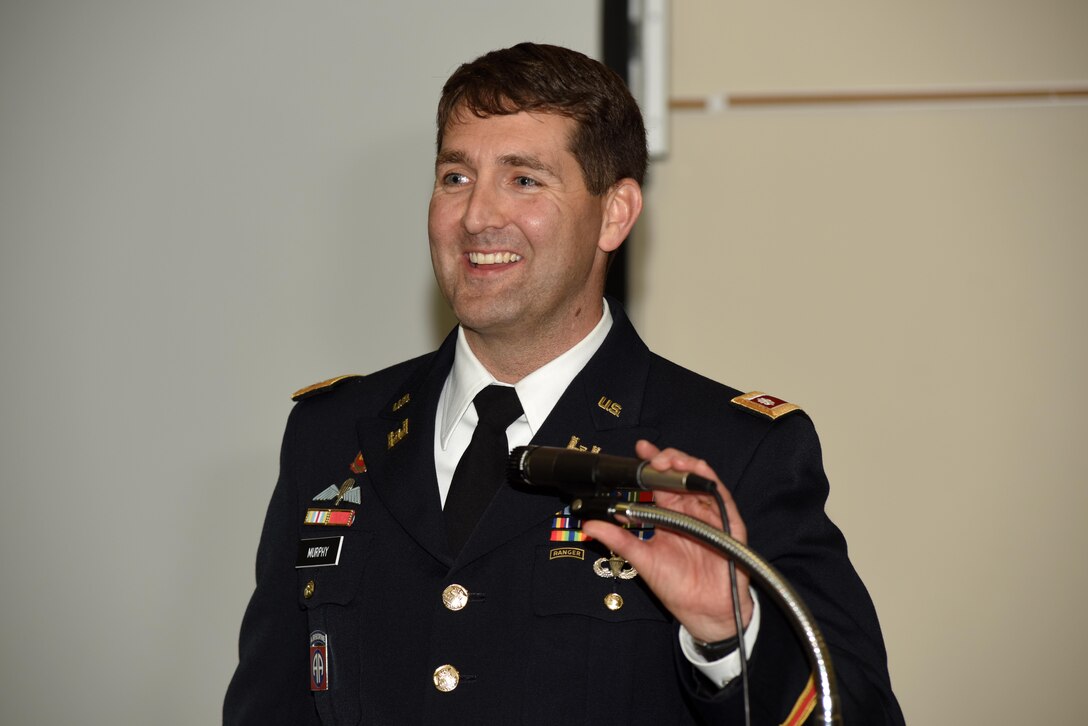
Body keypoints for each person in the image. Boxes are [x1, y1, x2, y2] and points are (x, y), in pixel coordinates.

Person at [224, 42, 905, 725]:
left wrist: (729, 635)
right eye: (456, 176)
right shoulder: (334, 433)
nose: (476, 216)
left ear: (615, 214)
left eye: (524, 180)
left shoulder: (726, 454)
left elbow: (859, 715)